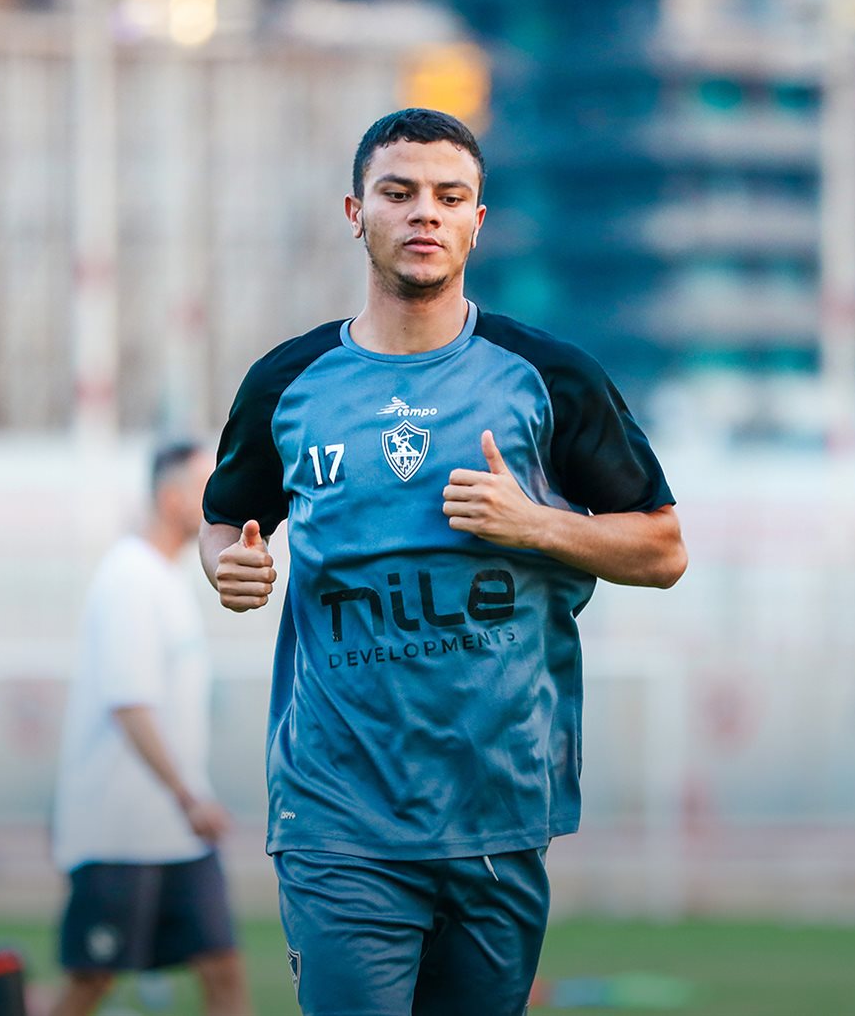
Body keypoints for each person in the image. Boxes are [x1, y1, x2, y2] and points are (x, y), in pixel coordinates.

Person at [200, 108, 687, 1015]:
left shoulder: (550, 376)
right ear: (356, 212)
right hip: (338, 813)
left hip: (498, 810)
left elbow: (663, 547)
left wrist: (535, 525)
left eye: (449, 196)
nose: (425, 211)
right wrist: (229, 567)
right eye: (399, 192)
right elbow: (224, 521)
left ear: (477, 221)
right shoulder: (287, 383)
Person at [48, 441, 253, 1016]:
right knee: (91, 982)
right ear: (170, 499)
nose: (221, 496)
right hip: (121, 832)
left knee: (224, 971)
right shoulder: (129, 577)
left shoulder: (168, 579)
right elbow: (130, 705)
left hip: (177, 832)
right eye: (206, 486)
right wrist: (189, 795)